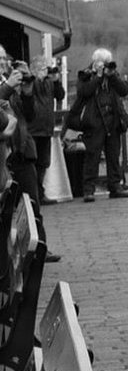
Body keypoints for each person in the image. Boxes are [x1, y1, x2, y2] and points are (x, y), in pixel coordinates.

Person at [0, 48, 60, 261]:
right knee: (7, 211)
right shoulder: (6, 85)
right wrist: (7, 87)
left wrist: (26, 90)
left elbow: (30, 114)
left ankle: (39, 248)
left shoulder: (11, 83)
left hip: (23, 150)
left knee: (32, 203)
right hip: (4, 156)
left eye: (4, 60)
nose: (3, 64)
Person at [77, 48, 128, 201]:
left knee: (113, 155)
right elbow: (84, 92)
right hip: (94, 121)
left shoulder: (113, 75)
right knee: (92, 156)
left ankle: (115, 186)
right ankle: (88, 190)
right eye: (103, 63)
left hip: (113, 120)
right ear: (95, 63)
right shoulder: (86, 74)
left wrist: (112, 76)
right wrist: (98, 77)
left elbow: (124, 90)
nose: (106, 66)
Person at [24, 55, 65, 204]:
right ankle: (34, 194)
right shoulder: (30, 82)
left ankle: (40, 193)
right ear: (34, 69)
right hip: (33, 129)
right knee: (33, 164)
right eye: (42, 68)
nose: (45, 71)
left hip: (46, 129)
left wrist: (57, 80)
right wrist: (37, 77)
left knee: (43, 163)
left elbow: (60, 95)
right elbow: (30, 93)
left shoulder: (49, 82)